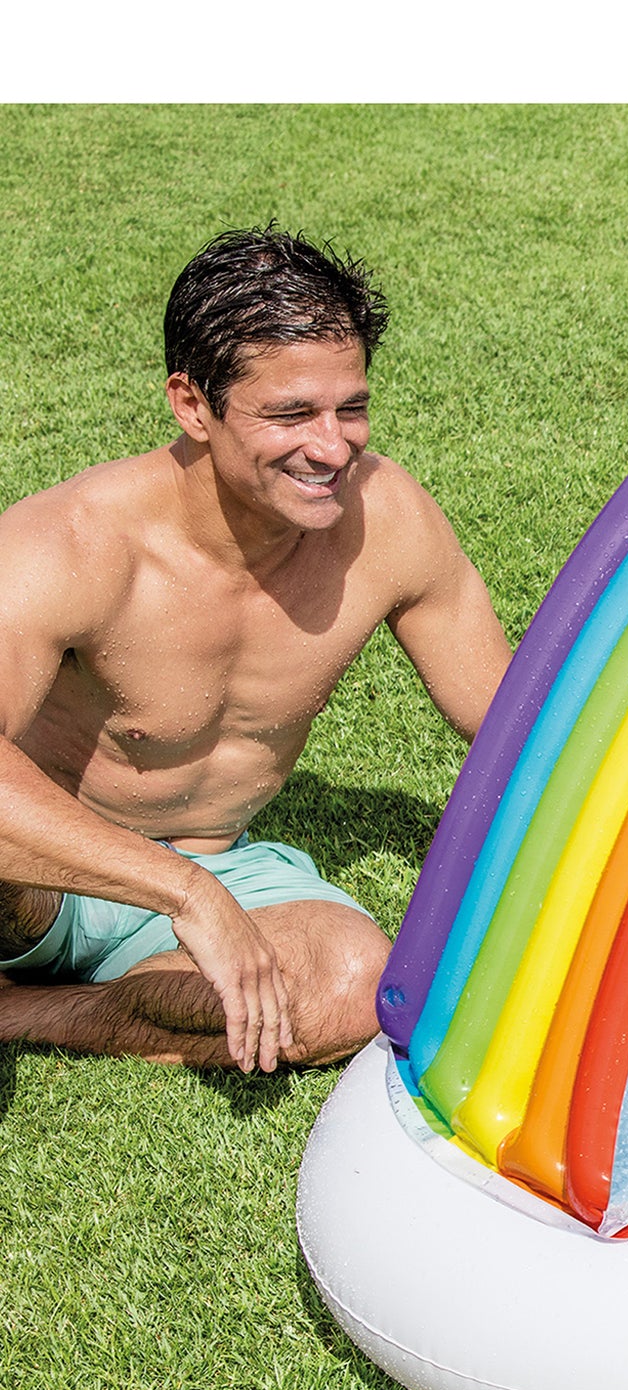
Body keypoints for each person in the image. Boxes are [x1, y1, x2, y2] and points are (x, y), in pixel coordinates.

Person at [0, 226, 513, 1075]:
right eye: (290, 414)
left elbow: (515, 718)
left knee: (354, 985)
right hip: (43, 875)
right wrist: (185, 894)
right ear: (192, 404)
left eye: (351, 407)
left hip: (223, 862)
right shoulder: (71, 545)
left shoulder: (384, 522)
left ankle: (24, 1013)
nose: (333, 447)